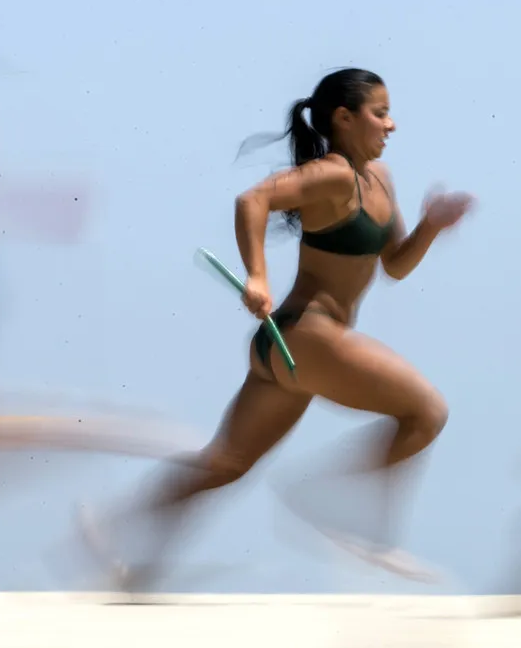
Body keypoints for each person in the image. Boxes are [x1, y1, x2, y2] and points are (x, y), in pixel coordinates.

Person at [79, 67, 474, 588]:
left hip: (286, 348)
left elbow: (395, 264)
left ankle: (117, 539)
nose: (391, 124)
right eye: (380, 113)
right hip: (309, 334)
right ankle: (331, 507)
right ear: (344, 118)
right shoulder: (333, 175)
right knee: (426, 412)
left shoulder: (381, 179)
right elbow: (253, 200)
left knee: (225, 464)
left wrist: (431, 226)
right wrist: (258, 276)